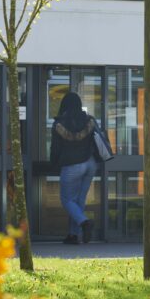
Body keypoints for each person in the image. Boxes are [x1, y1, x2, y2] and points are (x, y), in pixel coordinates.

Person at [50, 92, 98, 245]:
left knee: (66, 199)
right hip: (90, 164)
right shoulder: (90, 120)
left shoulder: (59, 124)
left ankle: (84, 223)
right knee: (79, 200)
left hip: (72, 165)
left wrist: (54, 163)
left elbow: (55, 148)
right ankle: (73, 235)